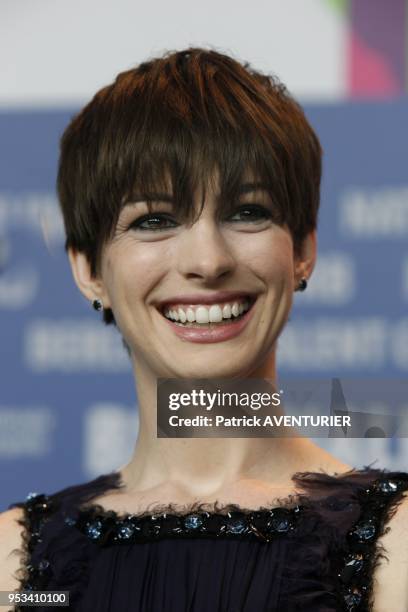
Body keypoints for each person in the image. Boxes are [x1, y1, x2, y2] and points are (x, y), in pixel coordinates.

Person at [1, 47, 407, 612]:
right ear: (88, 270)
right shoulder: (18, 563)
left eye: (247, 212)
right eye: (155, 220)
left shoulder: (397, 540)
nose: (208, 260)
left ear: (304, 250)